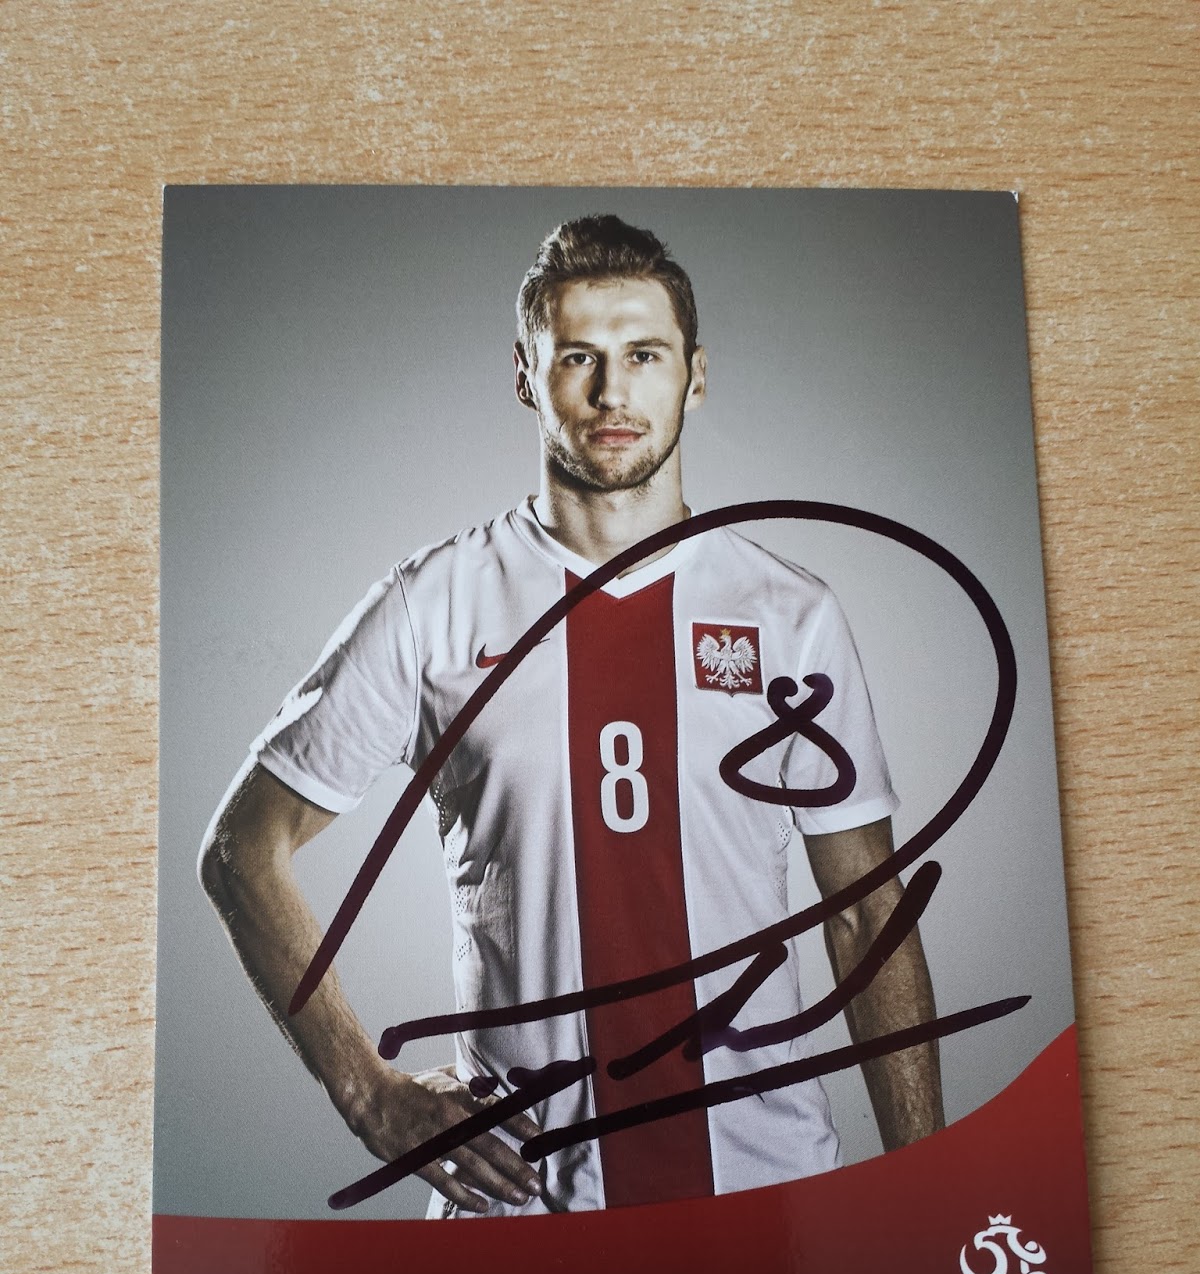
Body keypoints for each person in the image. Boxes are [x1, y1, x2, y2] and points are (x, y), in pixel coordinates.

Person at [199, 214, 944, 1218]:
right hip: (521, 1214)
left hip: (763, 1203)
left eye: (644, 355)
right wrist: (367, 1092)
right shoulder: (435, 606)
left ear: (695, 376)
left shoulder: (788, 614)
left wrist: (929, 1197)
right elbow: (241, 849)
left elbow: (866, 915)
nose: (612, 392)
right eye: (578, 357)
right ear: (526, 375)